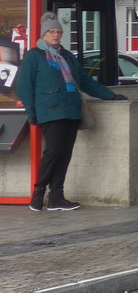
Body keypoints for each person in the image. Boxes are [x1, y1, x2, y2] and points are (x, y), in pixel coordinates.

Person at [16, 12, 127, 212]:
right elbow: (24, 86)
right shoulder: (34, 56)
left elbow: (84, 81)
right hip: (50, 112)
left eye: (58, 31)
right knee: (53, 152)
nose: (56, 35)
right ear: (44, 34)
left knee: (65, 154)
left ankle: (57, 196)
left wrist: (110, 96)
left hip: (71, 111)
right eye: (51, 31)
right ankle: (39, 192)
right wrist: (31, 112)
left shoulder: (68, 56)